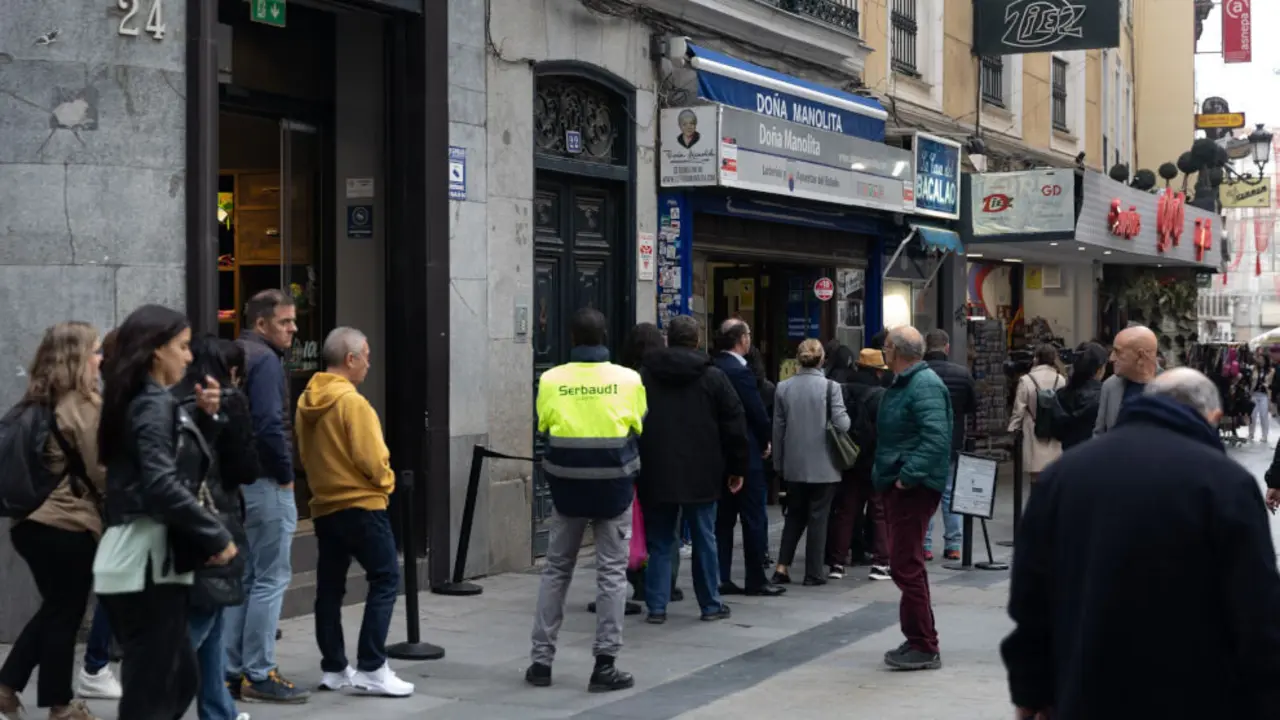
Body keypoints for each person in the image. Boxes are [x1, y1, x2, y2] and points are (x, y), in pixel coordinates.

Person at [1001, 369, 1280, 719]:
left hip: (1087, 691)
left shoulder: (1066, 474)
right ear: (1213, 417)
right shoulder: (1225, 483)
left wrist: (1031, 693)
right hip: (1196, 695)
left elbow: (1032, 597)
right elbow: (1257, 610)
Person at [92, 304, 237, 720]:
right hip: (144, 560)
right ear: (157, 351)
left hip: (145, 558)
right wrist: (215, 535)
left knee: (177, 678)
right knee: (156, 688)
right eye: (183, 347)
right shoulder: (151, 403)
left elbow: (172, 470)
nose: (189, 357)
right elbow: (161, 484)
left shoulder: (144, 400)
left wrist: (206, 422)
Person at [527, 308, 647, 692]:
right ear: (605, 336)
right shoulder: (629, 379)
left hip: (567, 490)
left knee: (557, 570)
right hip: (614, 488)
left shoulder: (550, 379)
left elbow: (544, 425)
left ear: (572, 338)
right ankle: (605, 665)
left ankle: (541, 663)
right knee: (611, 574)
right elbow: (637, 424)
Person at [294, 327, 412, 697]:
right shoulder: (352, 403)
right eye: (366, 356)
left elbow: (304, 454)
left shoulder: (305, 401)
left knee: (329, 587)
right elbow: (372, 458)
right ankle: (372, 666)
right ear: (350, 359)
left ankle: (334, 667)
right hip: (361, 503)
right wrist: (386, 481)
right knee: (385, 577)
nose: (368, 364)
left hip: (325, 505)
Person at [0, 323, 107, 720]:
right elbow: (101, 472)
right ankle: (60, 706)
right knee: (65, 613)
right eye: (96, 351)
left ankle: (7, 687)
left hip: (29, 523)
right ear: (78, 358)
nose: (101, 359)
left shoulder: (35, 400)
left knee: (56, 610)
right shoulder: (81, 404)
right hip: (66, 523)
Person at [224, 289, 310, 703]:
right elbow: (269, 426)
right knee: (270, 578)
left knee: (246, 577)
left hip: (238, 483)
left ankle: (231, 670)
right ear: (262, 324)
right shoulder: (266, 362)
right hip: (263, 482)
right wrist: (285, 476)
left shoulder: (238, 354)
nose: (293, 329)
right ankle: (259, 672)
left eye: (293, 321)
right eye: (285, 322)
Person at [636, 315, 748, 623]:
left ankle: (656, 606)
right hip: (703, 470)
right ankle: (710, 604)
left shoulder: (646, 374)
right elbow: (734, 422)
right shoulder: (712, 376)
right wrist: (737, 466)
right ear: (697, 341)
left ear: (669, 339)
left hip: (656, 468)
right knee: (704, 538)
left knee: (660, 541)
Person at [177, 336, 258, 720]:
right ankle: (156, 700)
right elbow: (243, 467)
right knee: (203, 618)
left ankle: (217, 709)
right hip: (215, 518)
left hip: (190, 519)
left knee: (212, 617)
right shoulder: (228, 400)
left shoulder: (173, 399)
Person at [873, 326, 953, 671]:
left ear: (897, 351)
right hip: (903, 481)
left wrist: (907, 478)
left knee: (906, 564)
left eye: (887, 347)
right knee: (906, 563)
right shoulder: (909, 383)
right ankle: (918, 638)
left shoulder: (924, 385)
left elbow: (936, 439)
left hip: (913, 487)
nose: (883, 352)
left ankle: (924, 643)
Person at [712, 319, 785, 598]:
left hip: (718, 453)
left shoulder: (713, 367)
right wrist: (766, 439)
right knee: (754, 517)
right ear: (741, 339)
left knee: (723, 519)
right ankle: (756, 577)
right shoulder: (740, 372)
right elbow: (755, 412)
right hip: (746, 453)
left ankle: (721, 575)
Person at [771, 339, 849, 586]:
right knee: (819, 517)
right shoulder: (831, 387)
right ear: (822, 359)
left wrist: (778, 463)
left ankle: (782, 566)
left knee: (794, 515)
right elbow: (842, 424)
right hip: (824, 463)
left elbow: (778, 429)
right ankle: (813, 572)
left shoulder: (783, 388)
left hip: (794, 463)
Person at [826, 349, 890, 582]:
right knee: (879, 511)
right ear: (877, 372)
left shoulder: (841, 390)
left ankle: (837, 562)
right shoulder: (881, 395)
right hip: (874, 460)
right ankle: (881, 563)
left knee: (846, 511)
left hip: (848, 458)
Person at [921, 330, 976, 562]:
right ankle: (953, 544)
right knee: (950, 493)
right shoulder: (962, 374)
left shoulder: (918, 374)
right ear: (947, 347)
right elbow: (972, 406)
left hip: (923, 442)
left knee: (925, 493)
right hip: (952, 442)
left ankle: (924, 545)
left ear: (926, 347)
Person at [1008, 345, 1065, 487]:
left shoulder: (1026, 380)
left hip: (1032, 428)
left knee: (1036, 476)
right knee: (1054, 474)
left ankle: (1037, 505)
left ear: (1036, 359)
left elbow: (1019, 408)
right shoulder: (1061, 379)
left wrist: (1013, 427)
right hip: (1055, 430)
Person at [1093, 325, 1157, 435]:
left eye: (1118, 352)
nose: (1111, 358)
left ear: (1140, 356)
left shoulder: (1171, 388)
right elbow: (1099, 433)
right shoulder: (1110, 386)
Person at [1049, 342, 1109, 450]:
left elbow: (1057, 433)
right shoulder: (1106, 395)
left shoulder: (1060, 395)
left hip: (1069, 458)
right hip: (1098, 458)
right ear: (1100, 369)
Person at [1250, 349, 1273, 443]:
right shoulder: (1254, 369)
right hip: (1254, 394)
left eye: (1262, 359)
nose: (1260, 360)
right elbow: (1251, 380)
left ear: (1265, 360)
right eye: (1259, 358)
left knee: (1264, 415)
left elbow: (1270, 382)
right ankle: (1251, 433)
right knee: (1253, 415)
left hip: (1264, 395)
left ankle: (1264, 435)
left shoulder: (1271, 371)